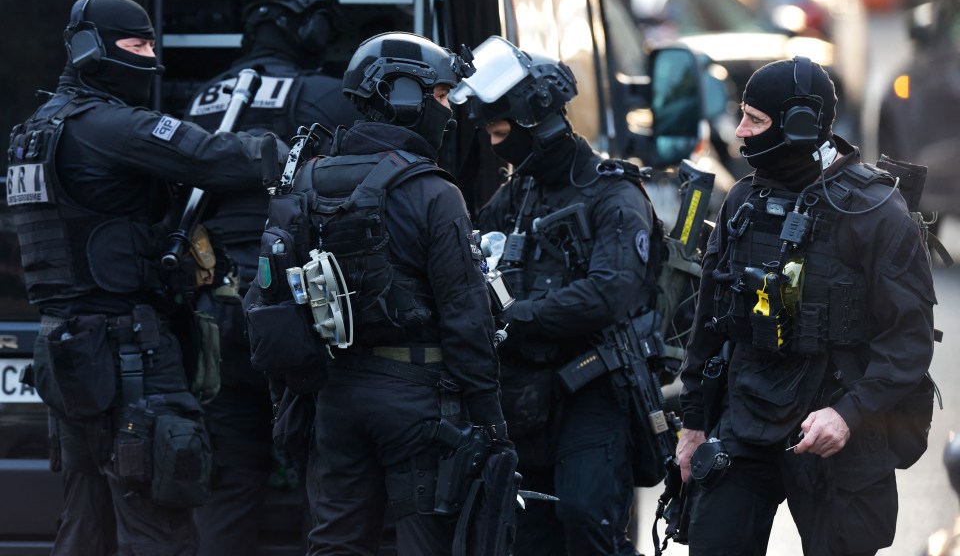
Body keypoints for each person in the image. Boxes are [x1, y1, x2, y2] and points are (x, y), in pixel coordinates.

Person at [7, 0, 272, 555]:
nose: (152, 57)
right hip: (128, 355)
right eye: (138, 44)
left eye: (153, 44)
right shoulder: (107, 125)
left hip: (67, 349)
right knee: (159, 525)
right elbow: (218, 158)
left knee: (87, 523)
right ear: (90, 49)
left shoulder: (35, 131)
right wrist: (294, 152)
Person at [244, 30, 509, 555]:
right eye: (438, 95)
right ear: (403, 94)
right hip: (418, 402)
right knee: (427, 542)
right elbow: (465, 315)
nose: (448, 112)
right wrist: (490, 419)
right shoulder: (434, 191)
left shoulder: (304, 183)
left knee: (337, 543)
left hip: (334, 399)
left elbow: (270, 305)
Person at [675, 56, 937, 555]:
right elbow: (709, 323)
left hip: (836, 419)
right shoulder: (742, 202)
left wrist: (849, 413)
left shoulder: (877, 213)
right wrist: (693, 423)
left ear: (799, 125)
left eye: (754, 119)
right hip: (747, 413)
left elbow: (909, 341)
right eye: (742, 115)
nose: (740, 133)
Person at [184, 0, 360, 556]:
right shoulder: (328, 98)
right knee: (323, 474)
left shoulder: (203, 99)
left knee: (229, 482)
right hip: (298, 322)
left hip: (215, 319)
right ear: (311, 28)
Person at [464, 36, 660, 555]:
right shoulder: (521, 191)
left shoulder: (612, 194)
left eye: (502, 132)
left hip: (593, 387)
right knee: (528, 530)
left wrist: (523, 315)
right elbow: (471, 251)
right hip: (527, 391)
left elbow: (610, 292)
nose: (495, 145)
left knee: (585, 521)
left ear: (537, 122)